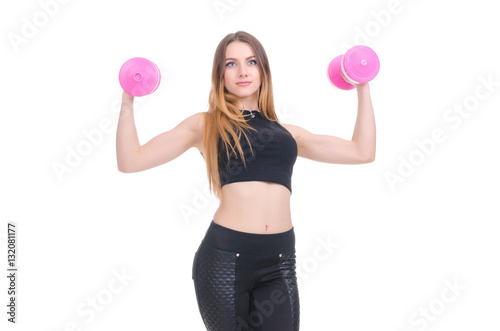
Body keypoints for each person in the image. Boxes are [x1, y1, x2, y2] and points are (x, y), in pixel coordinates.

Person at [116, 31, 375, 331]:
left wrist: (362, 85)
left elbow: (362, 151)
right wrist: (128, 99)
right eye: (230, 64)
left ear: (263, 70)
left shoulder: (289, 134)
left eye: (251, 61)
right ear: (220, 75)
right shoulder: (205, 124)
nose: (242, 71)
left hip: (279, 263)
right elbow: (130, 160)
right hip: (224, 262)